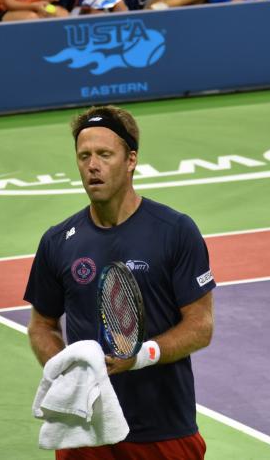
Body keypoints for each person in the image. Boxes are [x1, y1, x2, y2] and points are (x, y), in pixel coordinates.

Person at [24, 105, 215, 459]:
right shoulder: (57, 241)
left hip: (163, 429)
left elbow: (200, 326)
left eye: (104, 154)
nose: (92, 166)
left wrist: (140, 356)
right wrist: (65, 368)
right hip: (84, 432)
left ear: (131, 160)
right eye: (84, 156)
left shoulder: (175, 231)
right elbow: (42, 325)